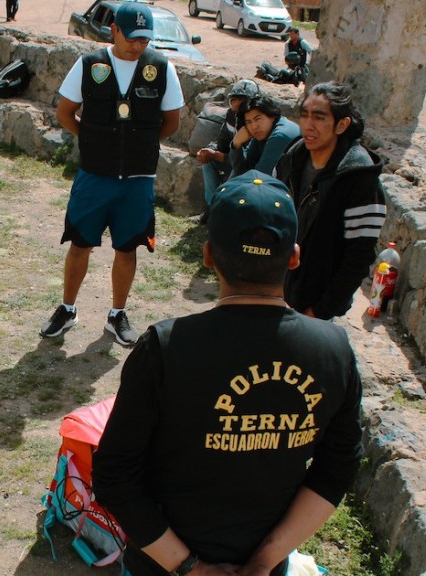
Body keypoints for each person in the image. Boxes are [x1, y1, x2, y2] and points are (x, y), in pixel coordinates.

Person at [92, 171, 363, 576]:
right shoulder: (333, 350)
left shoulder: (166, 348)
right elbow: (337, 468)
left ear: (207, 256)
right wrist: (266, 559)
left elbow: (114, 475)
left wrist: (191, 567)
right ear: (293, 256)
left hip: (162, 567)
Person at [40, 2, 184, 347]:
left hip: (137, 179)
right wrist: (91, 139)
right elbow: (65, 112)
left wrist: (137, 145)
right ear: (114, 31)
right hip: (95, 175)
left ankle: (117, 314)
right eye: (132, 38)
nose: (138, 46)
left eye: (145, 40)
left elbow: (171, 122)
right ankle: (67, 308)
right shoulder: (90, 65)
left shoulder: (162, 68)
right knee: (79, 243)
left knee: (128, 247)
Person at [275, 82, 386, 319]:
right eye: (304, 115)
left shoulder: (359, 178)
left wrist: (319, 311)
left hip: (314, 306)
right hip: (276, 294)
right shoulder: (293, 159)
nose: (308, 125)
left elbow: (358, 258)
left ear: (341, 125)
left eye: (319, 117)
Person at [194, 79, 260, 213]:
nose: (236, 105)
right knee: (208, 161)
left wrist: (216, 155)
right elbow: (222, 144)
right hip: (234, 161)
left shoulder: (256, 123)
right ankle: (212, 209)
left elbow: (246, 161)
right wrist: (210, 151)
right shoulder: (232, 115)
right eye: (233, 100)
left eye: (241, 101)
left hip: (251, 170)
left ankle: (222, 212)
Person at [229, 94, 300, 177]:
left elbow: (260, 177)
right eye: (249, 122)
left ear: (272, 116)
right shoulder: (263, 133)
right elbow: (241, 169)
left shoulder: (279, 136)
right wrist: (236, 144)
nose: (254, 126)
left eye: (258, 119)